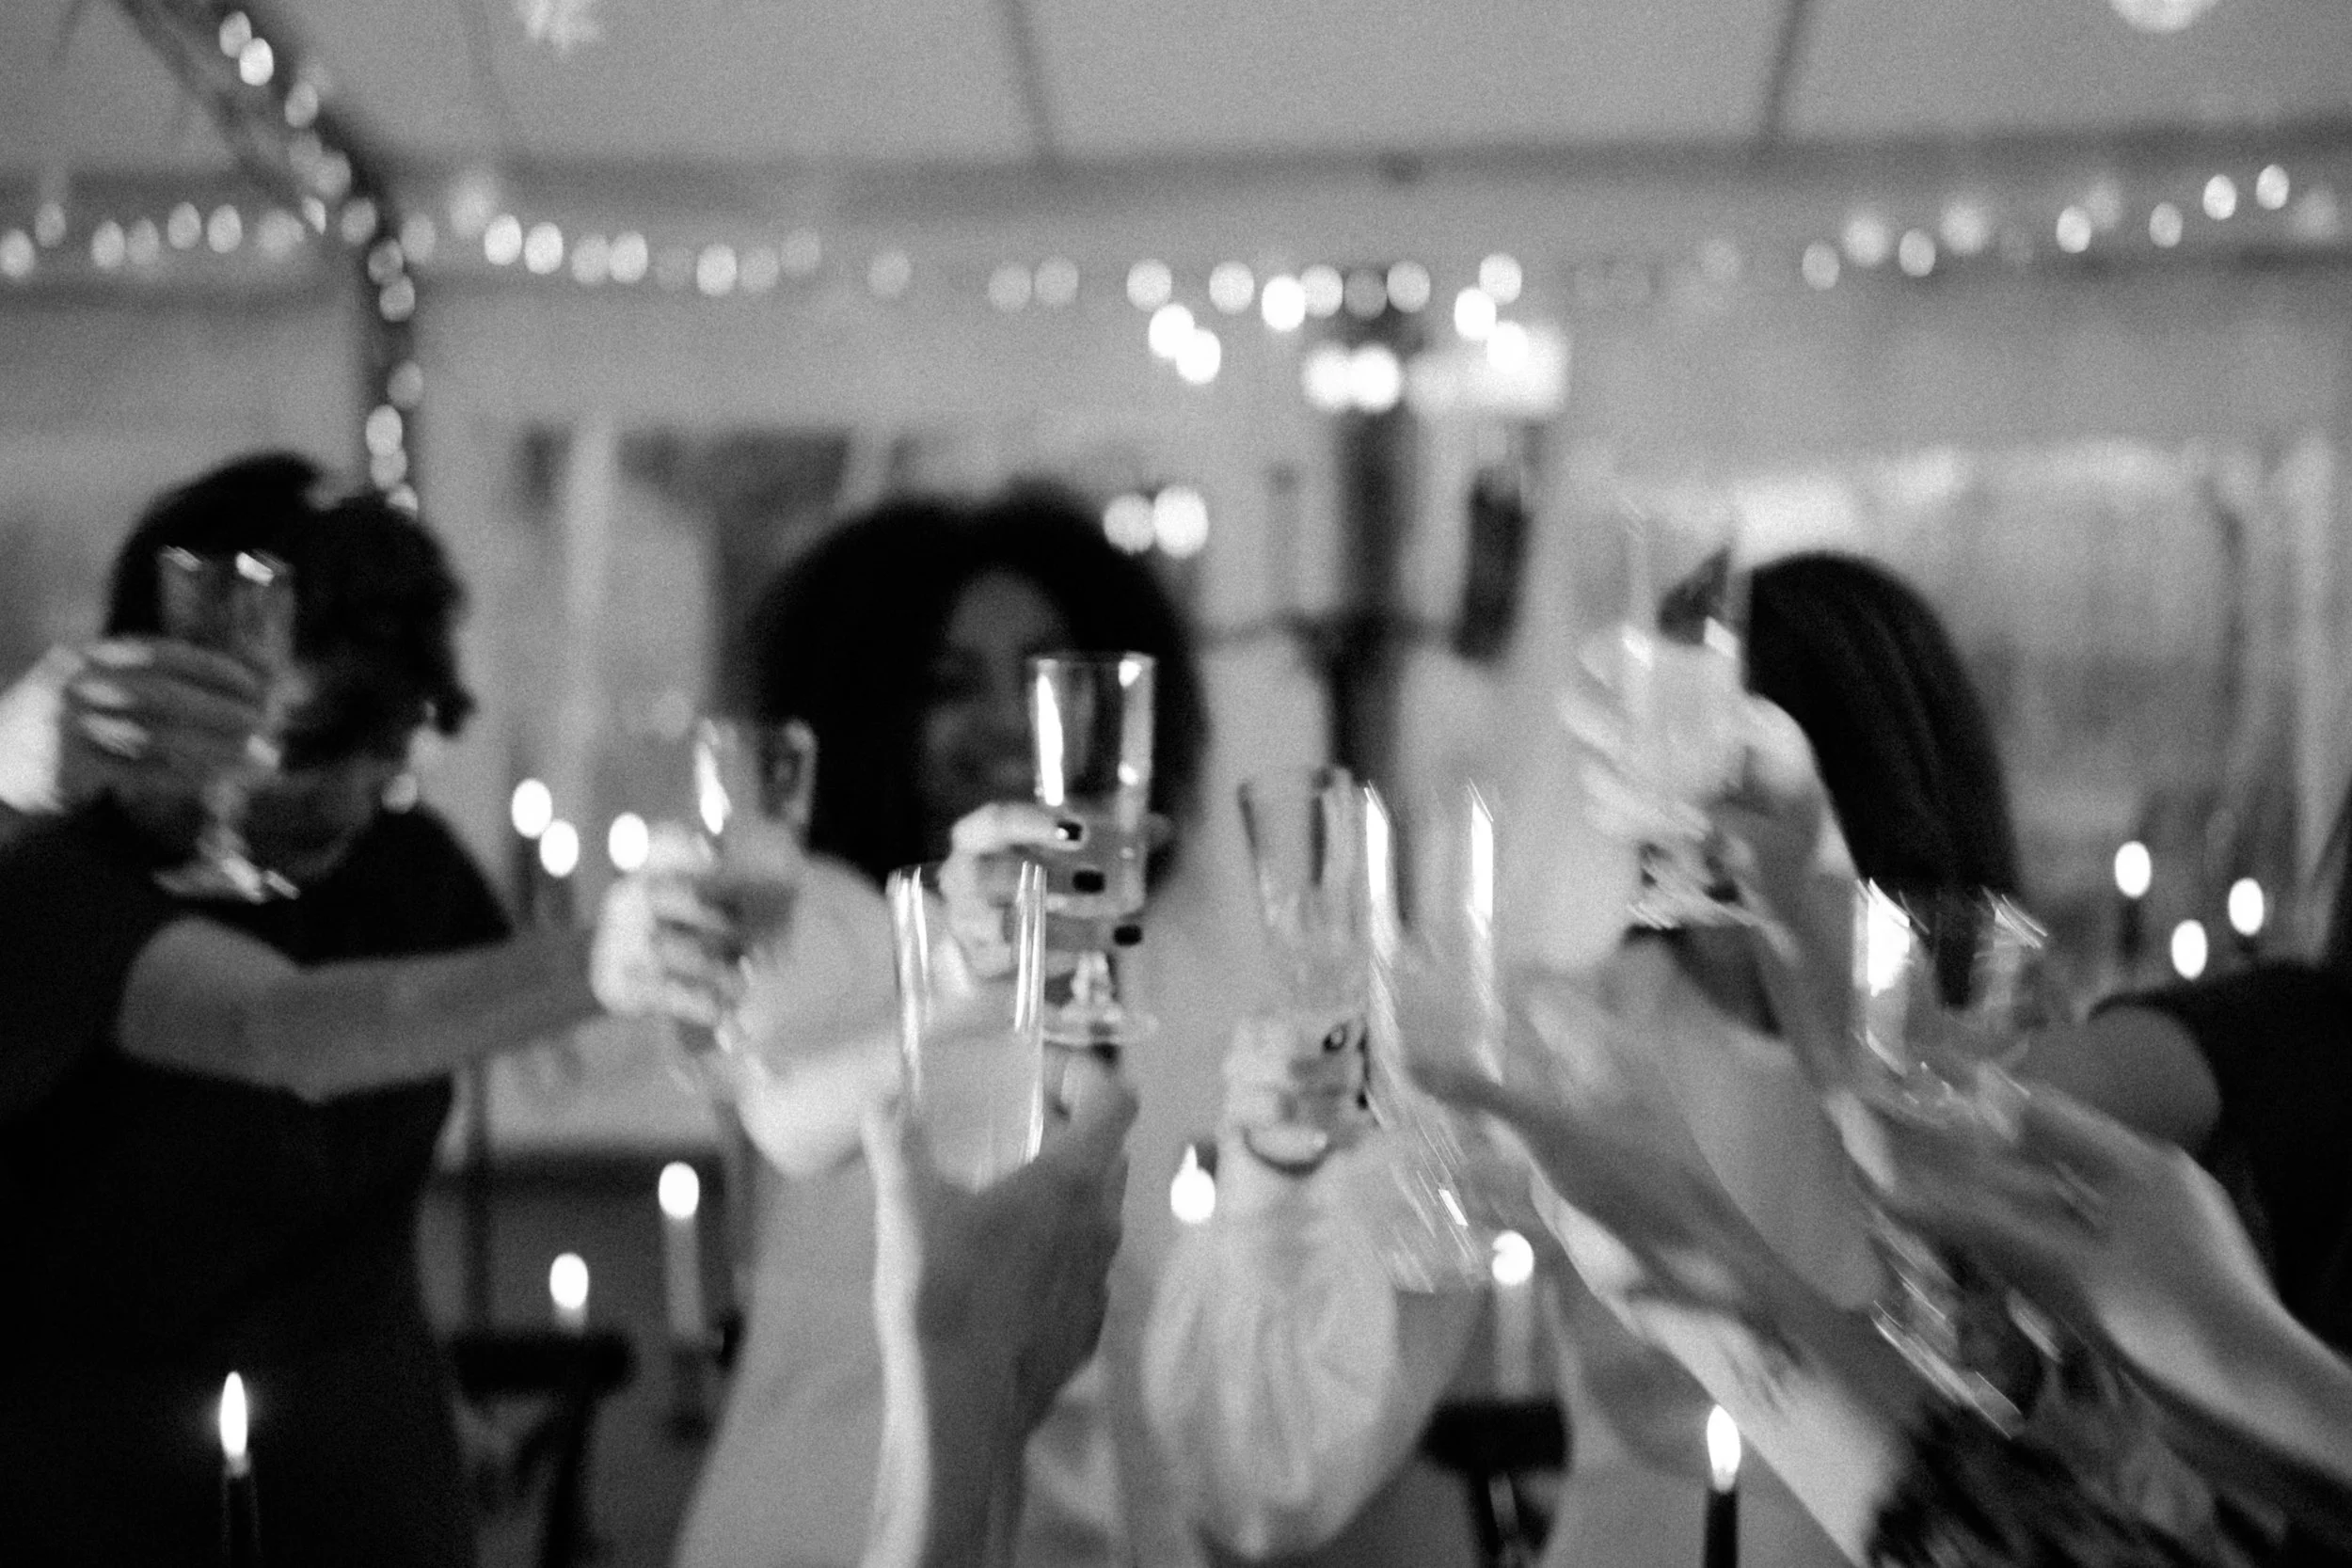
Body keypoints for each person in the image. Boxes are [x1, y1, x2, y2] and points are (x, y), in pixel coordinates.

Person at [1141, 552, 2018, 1568]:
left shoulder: (1993, 1067)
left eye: (1742, 776)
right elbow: (1269, 1480)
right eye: (1670, 762)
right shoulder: (1571, 1038)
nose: (1702, 812)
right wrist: (1280, 1186)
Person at [0, 454, 727, 1564]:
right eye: (307, 746)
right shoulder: (59, 876)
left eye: (384, 749)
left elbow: (361, 1211)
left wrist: (435, 1386)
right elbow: (284, 1029)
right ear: (174, 687)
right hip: (109, 1489)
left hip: (371, 1470)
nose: (347, 795)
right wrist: (604, 959)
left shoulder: (405, 863)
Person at [672, 484, 1232, 1568]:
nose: (1011, 720)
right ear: (866, 708)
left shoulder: (1140, 943)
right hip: (832, 1513)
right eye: (949, 684)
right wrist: (974, 980)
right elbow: (783, 1113)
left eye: (1045, 678)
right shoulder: (819, 913)